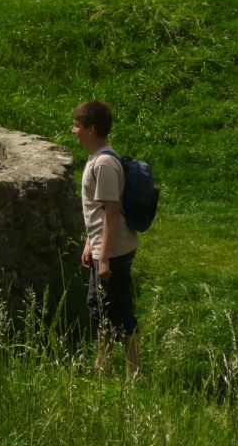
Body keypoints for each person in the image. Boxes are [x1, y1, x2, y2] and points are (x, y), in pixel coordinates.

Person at [71, 99, 140, 380]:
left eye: (77, 125)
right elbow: (98, 211)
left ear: (91, 129)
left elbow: (112, 213)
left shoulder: (105, 164)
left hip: (114, 252)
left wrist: (105, 259)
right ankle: (103, 367)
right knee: (101, 311)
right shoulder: (96, 159)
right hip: (102, 248)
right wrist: (91, 243)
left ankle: (134, 375)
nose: (74, 130)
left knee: (121, 313)